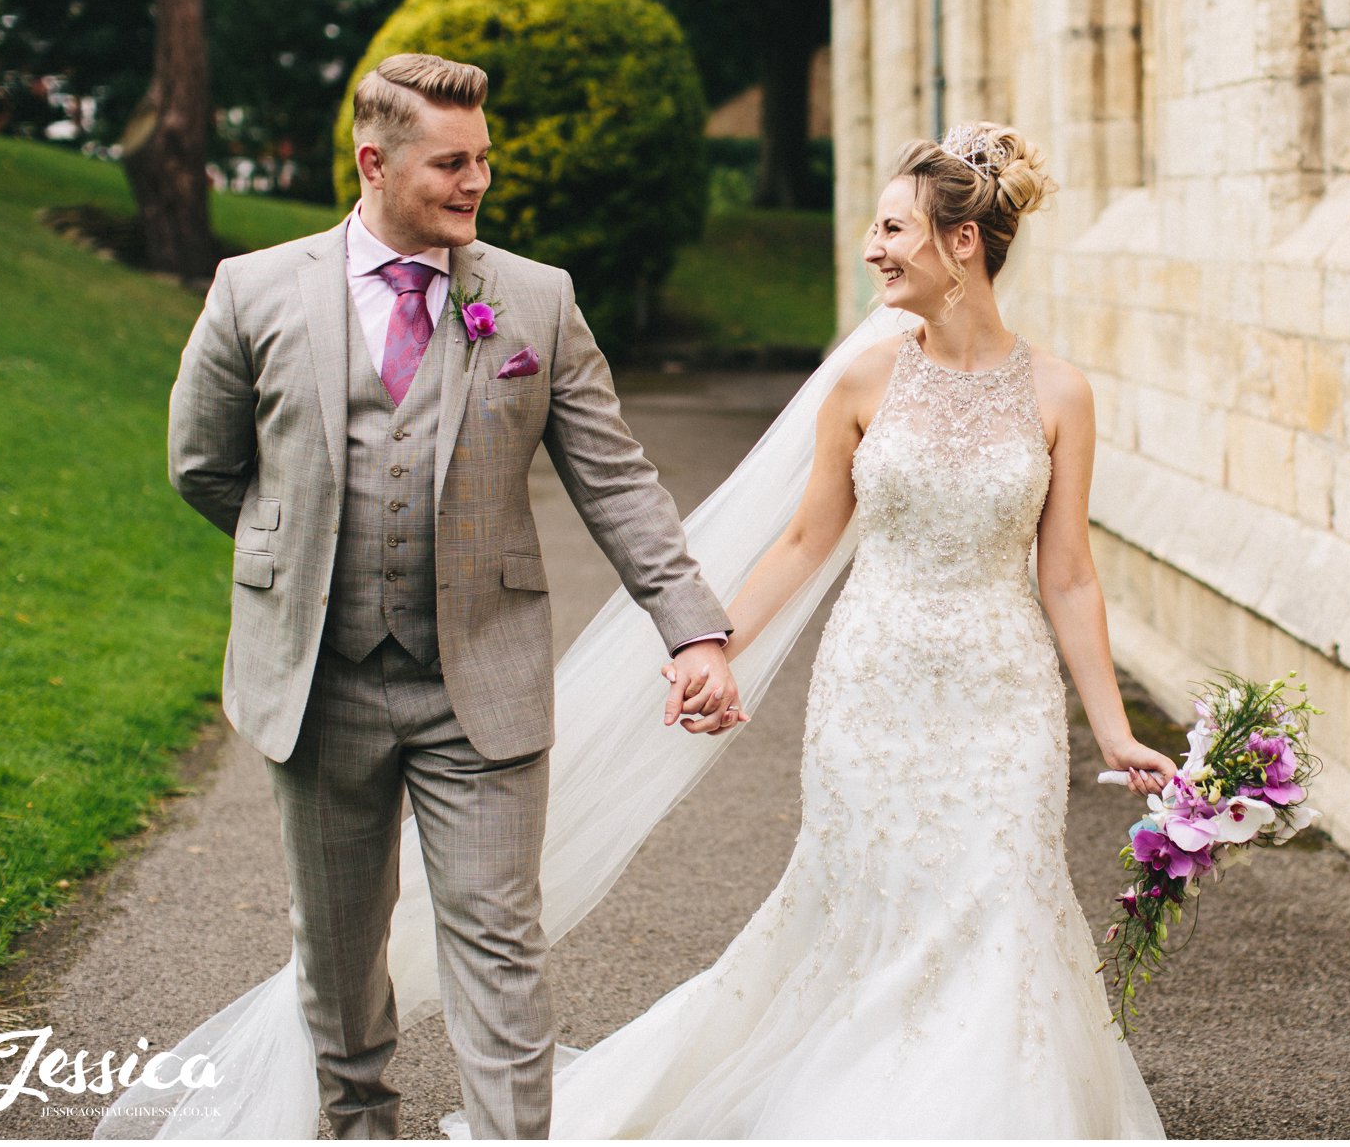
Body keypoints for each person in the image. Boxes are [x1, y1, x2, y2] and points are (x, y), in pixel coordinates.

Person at [486, 122, 1177, 1138]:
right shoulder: (862, 384)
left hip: (1004, 693)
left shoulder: (1059, 392)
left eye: (893, 228)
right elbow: (807, 542)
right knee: (873, 901)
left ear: (963, 245)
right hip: (873, 684)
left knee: (1001, 895)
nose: (871, 248)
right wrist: (714, 645)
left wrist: (1111, 728)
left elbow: (1067, 576)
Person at [164, 52, 741, 1139]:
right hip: (319, 681)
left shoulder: (535, 298)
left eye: (483, 159)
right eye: (450, 163)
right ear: (373, 162)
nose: (476, 182)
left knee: (498, 939)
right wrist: (293, 551)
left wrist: (693, 630)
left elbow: (614, 477)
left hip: (480, 677)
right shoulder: (255, 289)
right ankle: (357, 1121)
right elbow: (202, 463)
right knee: (337, 942)